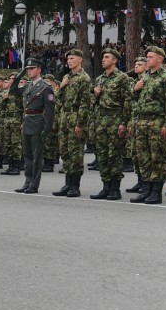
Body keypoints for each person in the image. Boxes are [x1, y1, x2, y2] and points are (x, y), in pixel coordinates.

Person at [129, 46, 166, 204]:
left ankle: (156, 191)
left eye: (150, 57)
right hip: (142, 121)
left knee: (157, 157)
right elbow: (137, 101)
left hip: (157, 121)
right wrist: (135, 90)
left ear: (159, 59)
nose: (147, 59)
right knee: (143, 157)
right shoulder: (145, 77)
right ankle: (146, 188)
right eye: (147, 57)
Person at [90, 48, 131, 200]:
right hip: (101, 120)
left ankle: (115, 188)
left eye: (107, 57)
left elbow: (127, 101)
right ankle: (105, 186)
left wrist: (124, 123)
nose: (103, 59)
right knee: (102, 155)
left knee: (114, 155)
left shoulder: (122, 78)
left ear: (114, 60)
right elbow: (94, 102)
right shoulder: (100, 79)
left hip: (115, 120)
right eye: (103, 57)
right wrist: (96, 95)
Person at [51, 49, 93, 198]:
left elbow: (85, 103)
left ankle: (75, 186)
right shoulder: (67, 77)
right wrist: (61, 87)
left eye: (72, 58)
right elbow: (58, 101)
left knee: (75, 153)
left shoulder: (84, 78)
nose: (69, 61)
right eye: (68, 59)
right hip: (64, 117)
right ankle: (67, 183)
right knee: (65, 152)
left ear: (80, 60)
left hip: (75, 118)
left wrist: (80, 124)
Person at [9, 57, 55, 194]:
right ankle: (27, 181)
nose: (29, 71)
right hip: (27, 122)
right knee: (27, 155)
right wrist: (20, 75)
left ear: (39, 70)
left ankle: (34, 184)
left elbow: (50, 111)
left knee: (36, 157)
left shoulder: (46, 88)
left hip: (38, 123)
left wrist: (46, 130)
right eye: (27, 69)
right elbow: (12, 91)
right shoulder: (28, 86)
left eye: (31, 69)